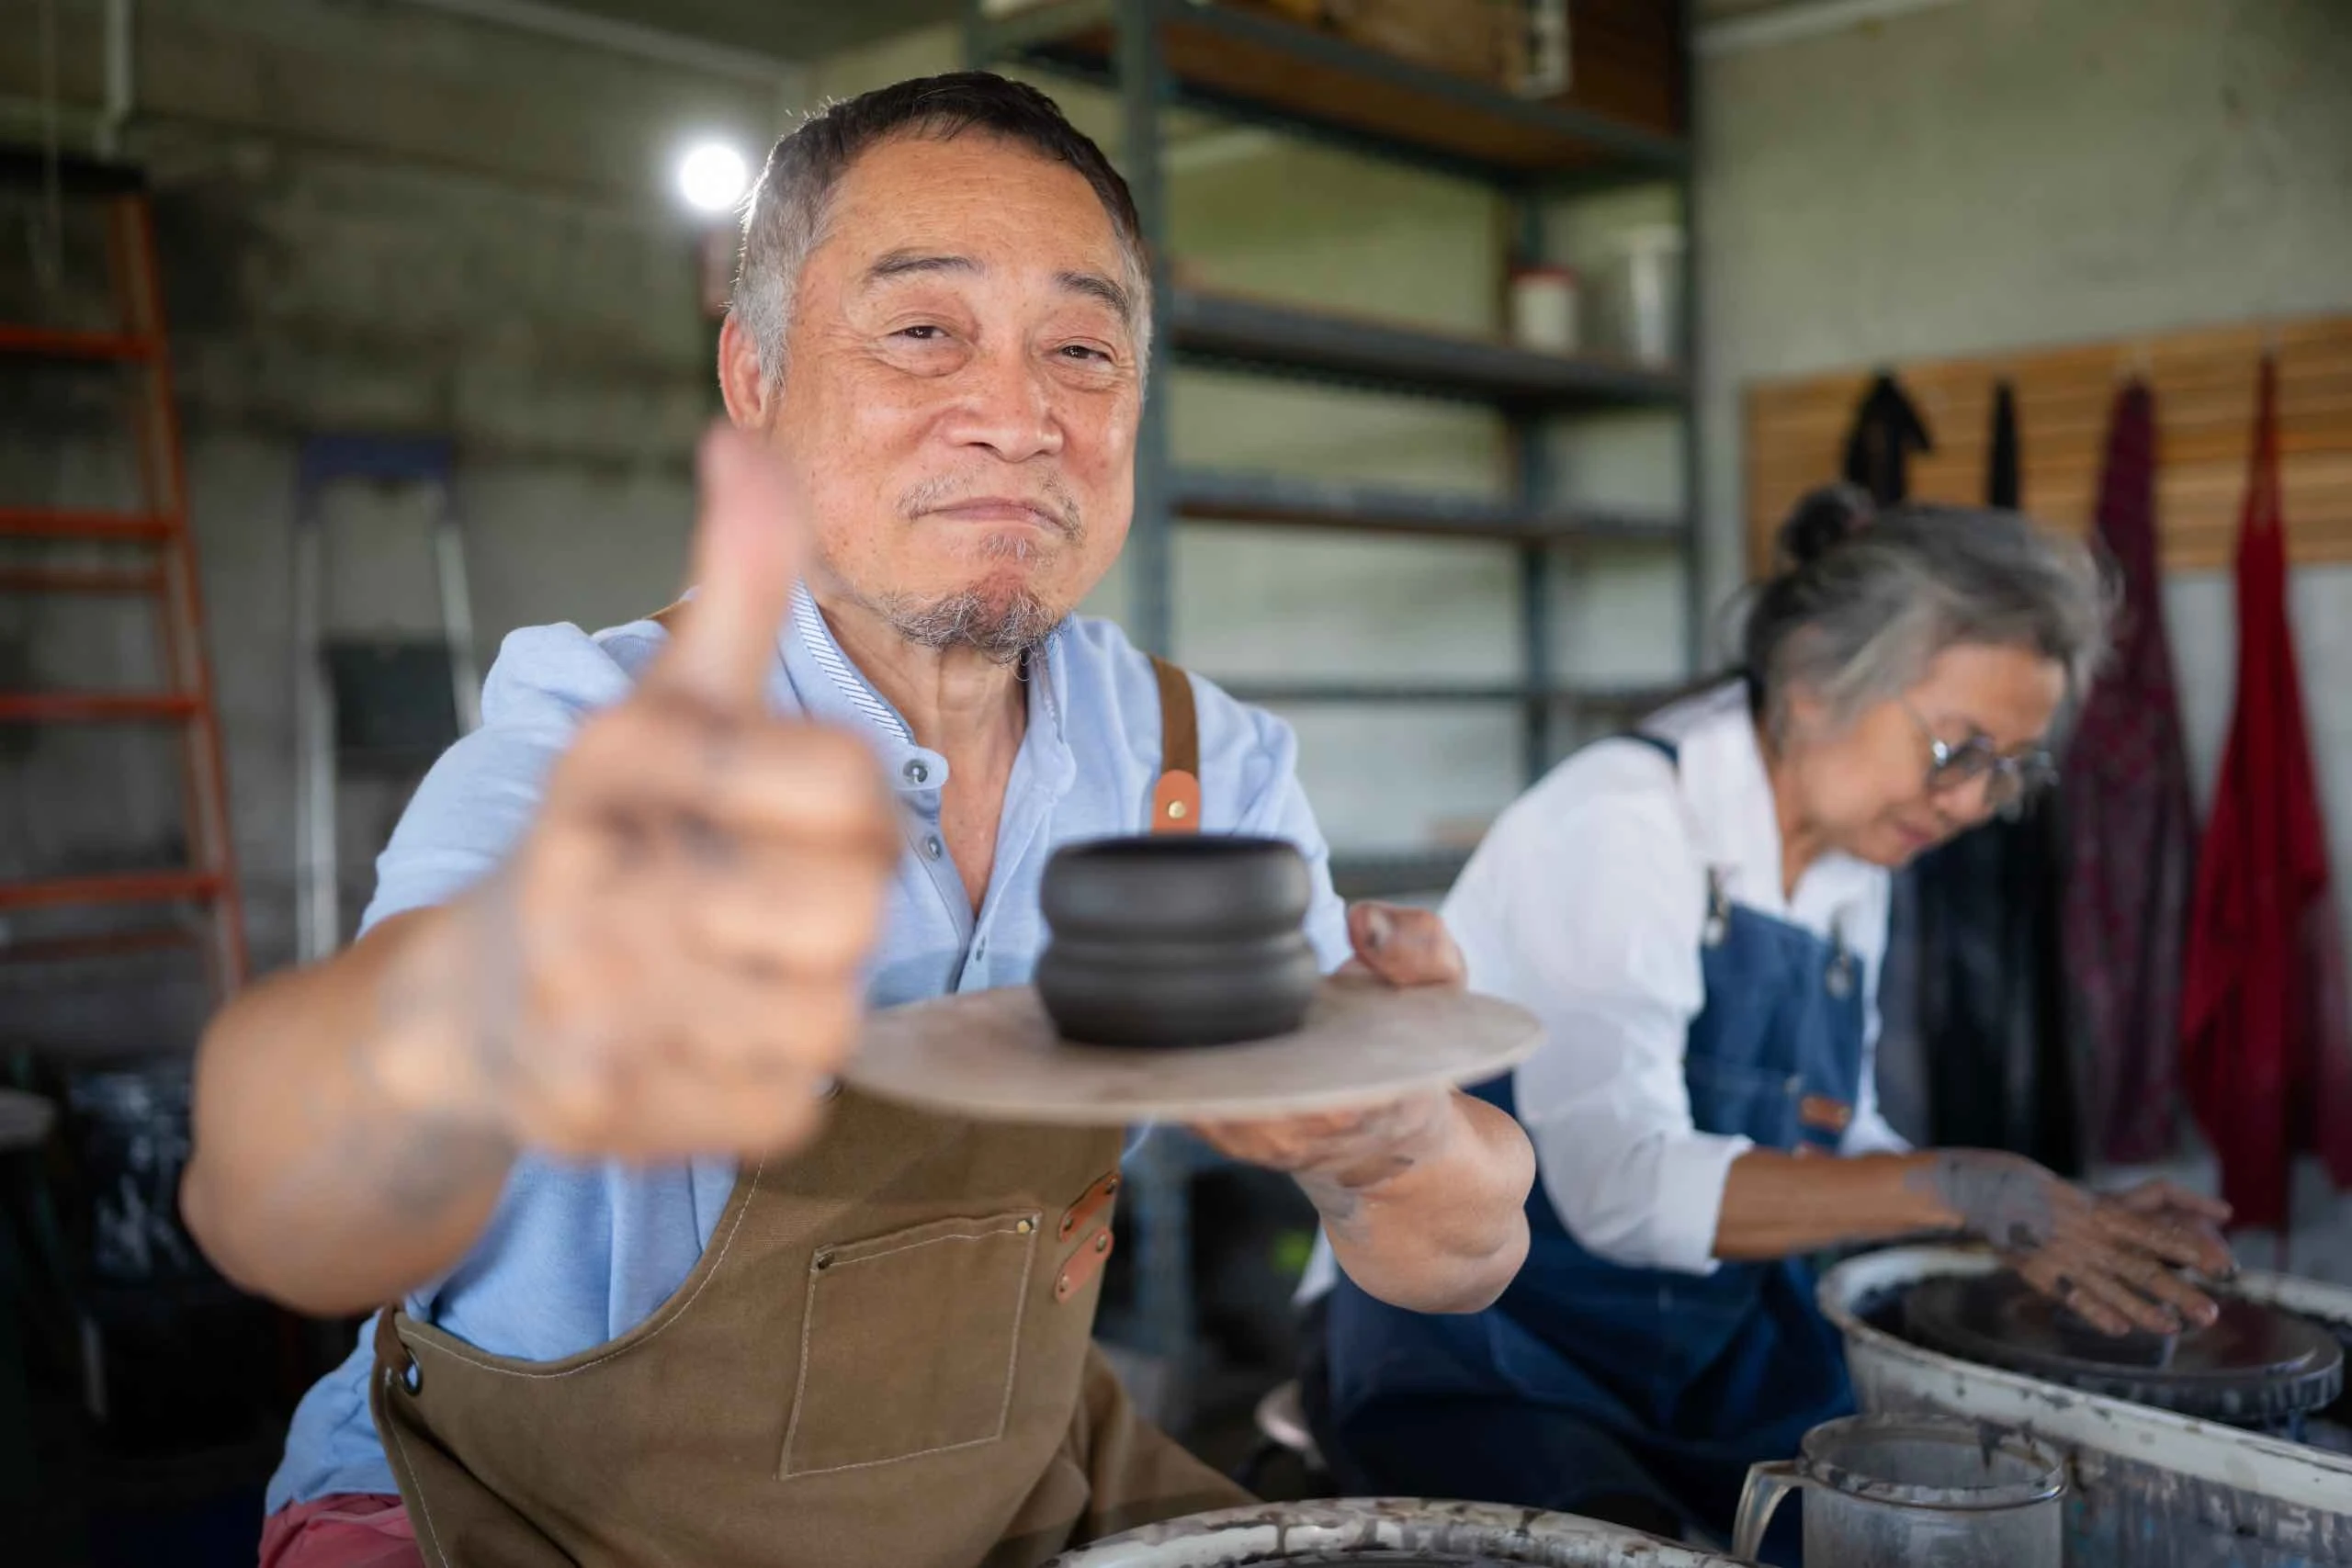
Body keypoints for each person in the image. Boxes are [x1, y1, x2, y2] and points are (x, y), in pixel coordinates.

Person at [185, 73, 1533, 1568]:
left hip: (998, 1499)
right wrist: (504, 982)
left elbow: (1462, 1259)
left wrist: (1385, 1140)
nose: (1020, 418)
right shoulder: (601, 736)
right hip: (528, 1512)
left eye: (1083, 349)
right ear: (754, 376)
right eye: (923, 331)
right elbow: (274, 1210)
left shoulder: (1193, 768)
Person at [1310, 485, 2237, 1560]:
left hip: (1697, 1345)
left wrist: (2032, 1211)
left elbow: (1833, 1141)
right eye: (1957, 752)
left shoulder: (1854, 858)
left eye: (2007, 773)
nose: (1972, 806)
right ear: (1809, 687)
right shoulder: (1623, 822)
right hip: (1487, 1351)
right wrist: (1962, 1189)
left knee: (1905, 1529)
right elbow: (1619, 1191)